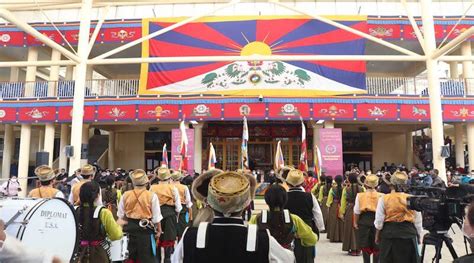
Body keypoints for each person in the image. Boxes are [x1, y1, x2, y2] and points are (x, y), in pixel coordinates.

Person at [172, 171, 295, 263]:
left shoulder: (190, 237)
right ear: (246, 204)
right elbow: (289, 259)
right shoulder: (263, 239)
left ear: (209, 203)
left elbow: (175, 260)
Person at [250, 184, 317, 250]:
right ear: (285, 200)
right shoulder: (294, 219)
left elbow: (250, 242)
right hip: (286, 257)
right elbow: (312, 239)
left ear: (266, 200)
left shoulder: (256, 219)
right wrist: (301, 240)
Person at [374, 171, 423, 263]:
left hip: (389, 234)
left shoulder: (384, 198)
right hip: (408, 233)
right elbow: (418, 220)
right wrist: (419, 235)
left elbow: (379, 220)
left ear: (391, 184)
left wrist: (377, 235)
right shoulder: (412, 198)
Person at [117, 169, 163, 263]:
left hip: (129, 228)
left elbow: (120, 215)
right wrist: (159, 230)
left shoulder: (125, 195)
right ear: (146, 183)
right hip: (146, 229)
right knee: (147, 258)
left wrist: (119, 231)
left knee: (129, 257)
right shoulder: (152, 196)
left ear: (133, 183)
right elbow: (156, 216)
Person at [75, 181, 123, 263]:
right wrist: (119, 226)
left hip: (78, 253)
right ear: (97, 195)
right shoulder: (104, 212)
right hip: (99, 254)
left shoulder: (75, 210)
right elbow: (116, 235)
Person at [284, 169, 324, 263]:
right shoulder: (309, 196)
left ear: (287, 183)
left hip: (288, 231)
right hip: (307, 231)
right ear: (302, 183)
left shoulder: (284, 196)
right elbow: (317, 214)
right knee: (307, 257)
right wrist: (320, 227)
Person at [149, 167, 182, 263]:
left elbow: (150, 203)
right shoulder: (173, 188)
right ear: (169, 178)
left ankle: (157, 260)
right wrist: (176, 216)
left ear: (158, 178)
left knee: (157, 239)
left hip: (156, 215)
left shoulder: (152, 187)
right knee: (169, 240)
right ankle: (168, 259)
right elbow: (178, 207)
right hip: (170, 215)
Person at [354, 174, 383, 263]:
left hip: (364, 221)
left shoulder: (360, 195)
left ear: (366, 185)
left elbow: (357, 211)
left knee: (365, 246)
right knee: (377, 246)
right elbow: (383, 212)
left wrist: (355, 223)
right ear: (377, 185)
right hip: (377, 220)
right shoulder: (382, 195)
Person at [340, 173, 364, 256]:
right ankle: (359, 249)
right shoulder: (362, 188)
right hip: (360, 209)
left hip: (350, 209)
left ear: (349, 180)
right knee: (359, 228)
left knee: (349, 229)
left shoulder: (346, 189)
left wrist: (342, 212)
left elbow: (343, 202)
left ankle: (352, 249)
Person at [170, 169, 193, 240]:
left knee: (171, 232)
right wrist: (190, 214)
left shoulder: (169, 187)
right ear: (180, 178)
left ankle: (171, 250)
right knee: (182, 231)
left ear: (171, 178)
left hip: (171, 209)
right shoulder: (184, 187)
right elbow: (188, 201)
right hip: (183, 210)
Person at [327, 175, 344, 242]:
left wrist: (328, 206)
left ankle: (335, 237)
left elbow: (329, 200)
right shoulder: (345, 188)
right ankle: (342, 237)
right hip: (342, 205)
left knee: (334, 221)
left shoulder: (332, 189)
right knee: (342, 221)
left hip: (334, 205)